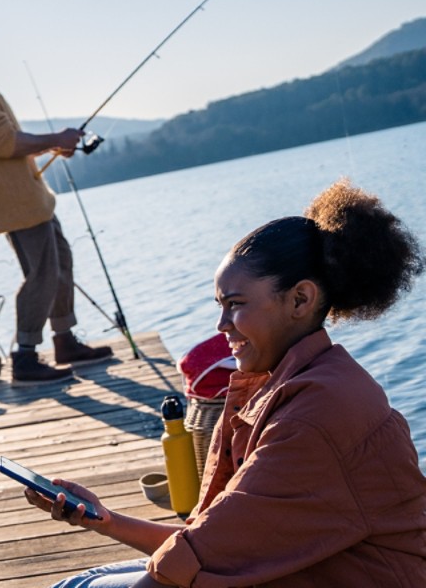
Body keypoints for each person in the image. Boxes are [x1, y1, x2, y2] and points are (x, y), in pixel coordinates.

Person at [24, 179, 426, 587]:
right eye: (220, 306)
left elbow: (195, 558)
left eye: (235, 305)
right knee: (93, 578)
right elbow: (211, 542)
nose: (221, 326)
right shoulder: (299, 383)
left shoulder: (316, 414)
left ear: (300, 300)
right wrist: (105, 521)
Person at [0, 3, 112, 385]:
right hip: (14, 201)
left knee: (60, 263)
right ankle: (26, 357)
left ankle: (64, 341)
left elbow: (6, 140)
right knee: (42, 275)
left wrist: (53, 146)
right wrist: (54, 139)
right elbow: (2, 143)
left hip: (30, 196)